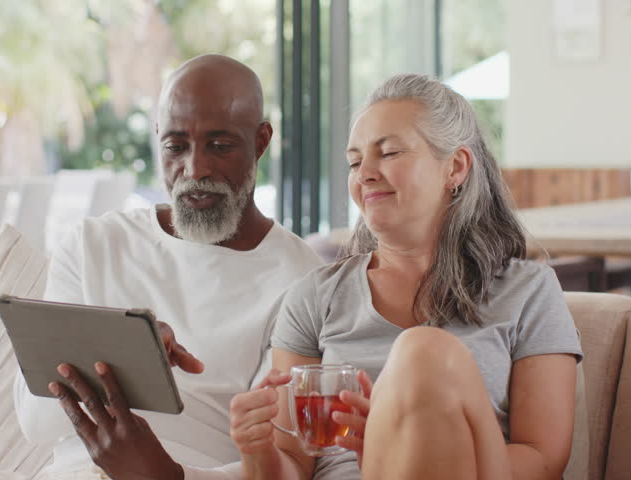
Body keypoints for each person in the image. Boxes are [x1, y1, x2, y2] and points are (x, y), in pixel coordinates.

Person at [229, 73, 583, 480]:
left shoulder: (527, 291)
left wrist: (399, 451)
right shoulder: (313, 298)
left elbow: (544, 460)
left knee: (423, 352)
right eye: (355, 162)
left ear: (455, 167)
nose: (365, 174)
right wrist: (257, 450)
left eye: (389, 153)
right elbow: (292, 465)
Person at [14, 54, 322, 480]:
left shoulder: (302, 281)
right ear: (158, 138)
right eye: (176, 147)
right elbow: (35, 423)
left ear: (261, 141)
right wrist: (123, 353)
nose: (195, 169)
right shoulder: (92, 243)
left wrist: (166, 476)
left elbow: (283, 465)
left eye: (220, 146)